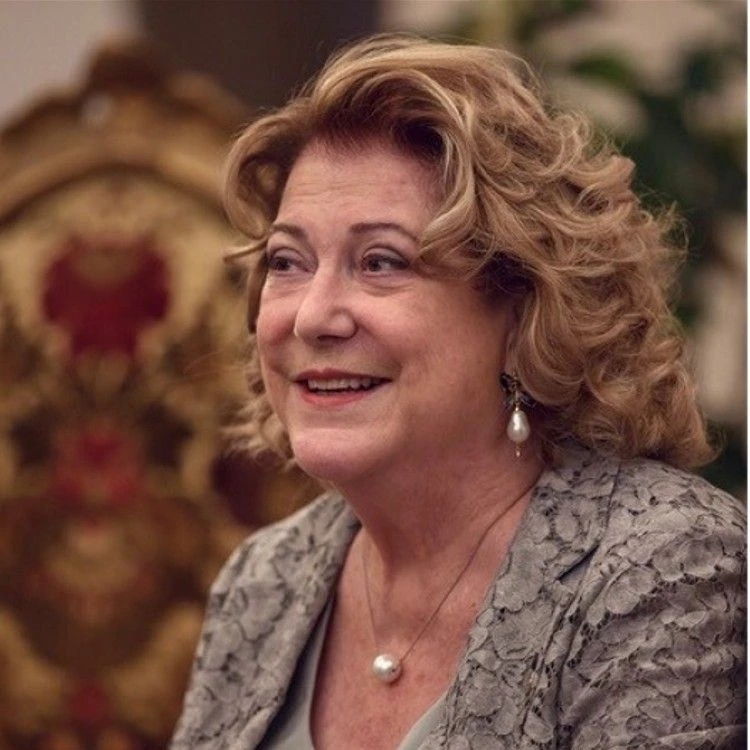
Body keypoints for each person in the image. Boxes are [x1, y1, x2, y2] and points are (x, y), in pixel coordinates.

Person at [170, 34, 745, 750]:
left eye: (380, 262)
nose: (312, 316)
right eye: (288, 262)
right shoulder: (262, 583)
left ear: (523, 308)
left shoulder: (662, 569)